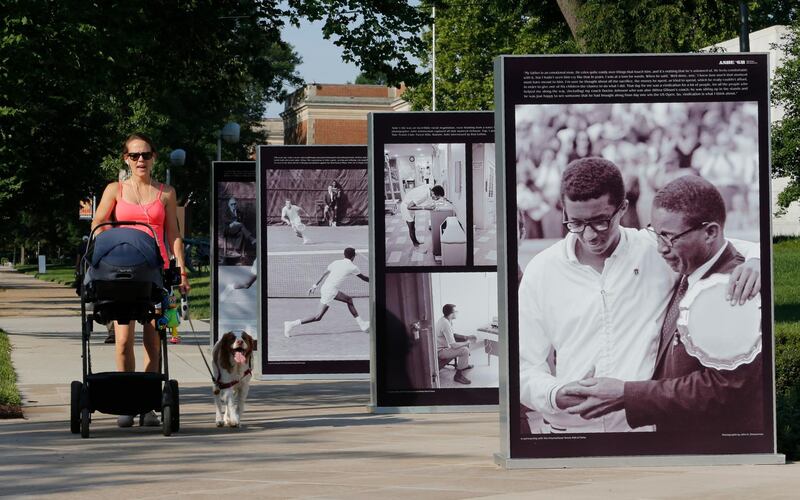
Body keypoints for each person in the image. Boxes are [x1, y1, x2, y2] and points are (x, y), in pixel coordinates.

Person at [518, 157, 759, 433]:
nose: (589, 235)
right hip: (569, 429)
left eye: (600, 222)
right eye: (575, 223)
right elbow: (523, 367)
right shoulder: (541, 270)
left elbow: (721, 244)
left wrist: (759, 259)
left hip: (644, 431)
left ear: (623, 209)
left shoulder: (655, 250)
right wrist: (554, 393)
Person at [92, 132, 191, 428]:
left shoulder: (166, 193)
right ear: (126, 159)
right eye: (134, 155)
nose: (140, 160)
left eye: (146, 155)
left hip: (156, 272)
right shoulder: (115, 190)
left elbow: (173, 233)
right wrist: (104, 246)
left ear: (154, 158)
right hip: (123, 272)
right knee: (123, 342)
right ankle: (126, 403)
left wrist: (181, 268)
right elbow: (99, 223)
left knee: (154, 342)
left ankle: (147, 404)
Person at [283, 247, 369, 337]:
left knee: (349, 300)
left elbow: (323, 274)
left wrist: (314, 286)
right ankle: (291, 324)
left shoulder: (336, 262)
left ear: (344, 255)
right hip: (330, 291)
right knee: (318, 317)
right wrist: (375, 278)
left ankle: (362, 324)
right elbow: (364, 278)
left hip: (326, 288)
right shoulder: (353, 267)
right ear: (353, 257)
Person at [435, 304, 477, 385]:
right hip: (441, 351)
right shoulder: (445, 324)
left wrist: (467, 337)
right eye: (456, 311)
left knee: (464, 344)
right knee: (464, 350)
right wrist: (467, 342)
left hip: (445, 347)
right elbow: (453, 345)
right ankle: (458, 376)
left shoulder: (446, 320)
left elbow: (453, 335)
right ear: (451, 314)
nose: (457, 313)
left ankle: (464, 365)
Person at [399, 184, 445, 248]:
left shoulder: (429, 188)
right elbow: (409, 207)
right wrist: (425, 207)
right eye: (437, 197)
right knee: (411, 228)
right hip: (406, 207)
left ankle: (416, 241)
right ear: (433, 193)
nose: (436, 199)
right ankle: (415, 245)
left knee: (413, 226)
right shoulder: (423, 195)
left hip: (409, 204)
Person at [221, 196, 256, 261]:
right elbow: (224, 220)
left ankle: (236, 250)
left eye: (234, 204)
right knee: (241, 225)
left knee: (242, 232)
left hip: (238, 229)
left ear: (236, 204)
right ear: (229, 205)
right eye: (232, 204)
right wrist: (232, 223)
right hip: (228, 229)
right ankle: (251, 239)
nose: (233, 205)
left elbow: (242, 221)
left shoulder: (239, 212)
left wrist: (238, 223)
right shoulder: (226, 212)